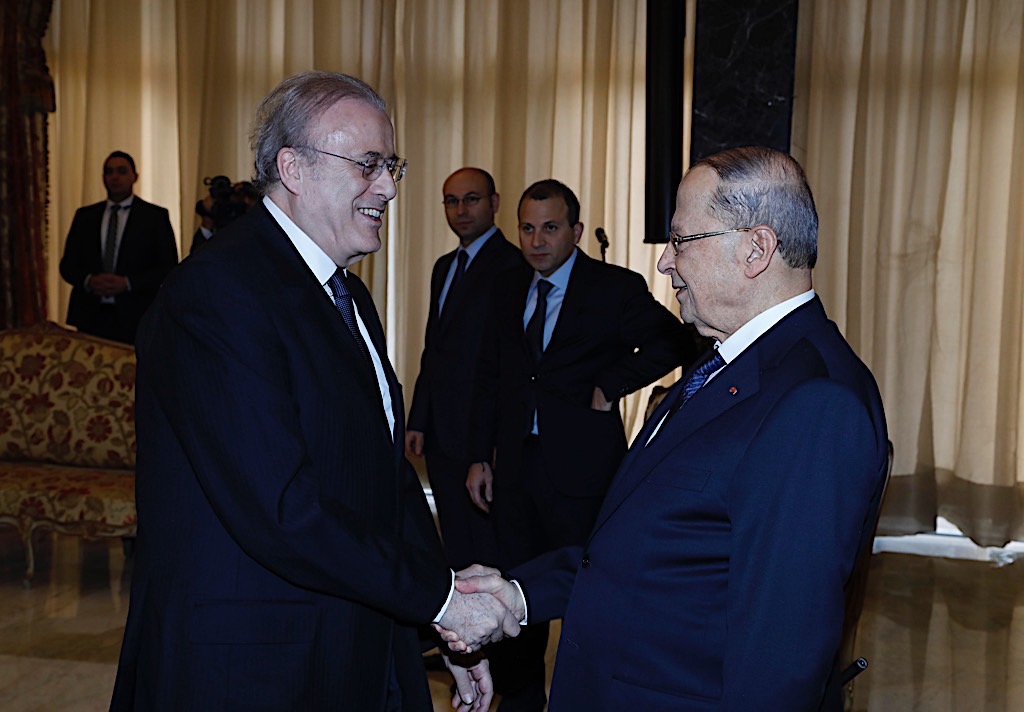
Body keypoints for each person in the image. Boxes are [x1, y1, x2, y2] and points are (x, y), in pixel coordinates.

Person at [109, 71, 517, 712]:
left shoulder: (345, 294)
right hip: (252, 666)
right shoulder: (217, 295)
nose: (388, 187)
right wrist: (439, 601)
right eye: (368, 165)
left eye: (391, 167)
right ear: (293, 168)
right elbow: (281, 508)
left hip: (351, 642)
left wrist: (439, 612)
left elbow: (383, 476)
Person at [449, 147, 890, 711]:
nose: (665, 263)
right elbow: (654, 547)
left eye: (681, 241)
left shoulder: (815, 403)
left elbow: (779, 656)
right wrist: (518, 595)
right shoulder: (728, 363)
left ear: (756, 249)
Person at [466, 179, 695, 710]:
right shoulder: (506, 285)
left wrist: (610, 384)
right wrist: (480, 454)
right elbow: (490, 374)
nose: (537, 241)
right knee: (516, 590)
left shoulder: (612, 287)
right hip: (515, 469)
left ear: (575, 230)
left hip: (583, 473)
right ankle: (520, 701)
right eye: (527, 229)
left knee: (585, 594)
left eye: (550, 228)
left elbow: (674, 340)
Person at [406, 167, 523, 571]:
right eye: (451, 201)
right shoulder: (444, 266)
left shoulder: (514, 265)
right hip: (441, 432)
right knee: (454, 543)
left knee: (487, 547)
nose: (460, 210)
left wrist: (487, 447)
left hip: (481, 432)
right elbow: (434, 348)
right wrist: (419, 418)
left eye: (471, 199)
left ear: (494, 203)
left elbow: (505, 365)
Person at [58, 151, 178, 344]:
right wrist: (89, 280)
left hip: (136, 315)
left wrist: (128, 283)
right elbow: (68, 265)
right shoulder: (85, 216)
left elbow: (168, 267)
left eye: (121, 171)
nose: (114, 177)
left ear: (135, 177)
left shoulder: (154, 217)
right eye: (109, 172)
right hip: (89, 315)